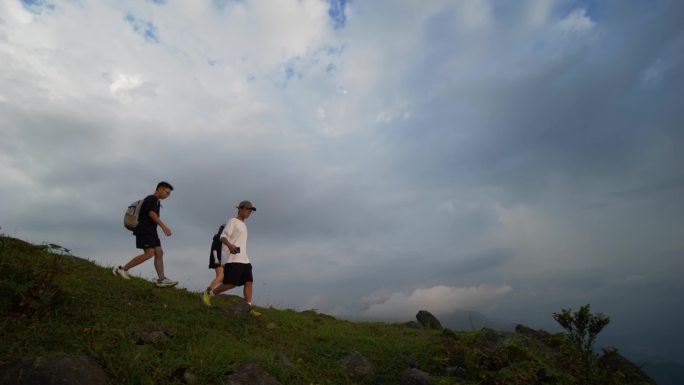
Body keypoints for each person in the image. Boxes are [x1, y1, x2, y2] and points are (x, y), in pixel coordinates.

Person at [113, 181, 178, 288]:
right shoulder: (151, 199)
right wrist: (164, 226)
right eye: (167, 192)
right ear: (160, 189)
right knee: (149, 253)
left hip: (152, 231)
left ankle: (161, 280)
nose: (168, 196)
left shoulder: (156, 202)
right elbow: (151, 213)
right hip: (144, 230)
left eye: (169, 193)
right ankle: (122, 269)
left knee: (159, 252)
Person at [202, 200, 260, 315]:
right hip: (233, 258)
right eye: (247, 210)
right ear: (240, 209)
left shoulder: (244, 225)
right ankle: (209, 294)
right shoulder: (232, 221)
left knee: (249, 282)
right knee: (231, 283)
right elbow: (223, 237)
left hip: (244, 259)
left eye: (251, 211)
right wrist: (230, 245)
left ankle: (248, 307)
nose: (249, 213)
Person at [205, 224, 225, 293]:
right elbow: (214, 249)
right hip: (216, 259)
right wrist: (216, 259)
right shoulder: (218, 238)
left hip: (220, 259)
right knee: (220, 276)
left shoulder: (223, 239)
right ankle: (208, 292)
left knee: (222, 279)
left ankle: (212, 292)